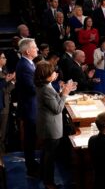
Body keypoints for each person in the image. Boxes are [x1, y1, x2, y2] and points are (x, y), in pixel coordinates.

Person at [35, 61, 74, 189]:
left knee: (47, 153)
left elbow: (53, 100)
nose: (55, 73)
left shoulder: (46, 85)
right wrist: (65, 93)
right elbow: (57, 109)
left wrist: (62, 91)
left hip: (48, 125)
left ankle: (43, 176)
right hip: (50, 127)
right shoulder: (46, 88)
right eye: (53, 72)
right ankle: (49, 183)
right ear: (47, 74)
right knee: (49, 156)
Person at [15, 38, 39, 177]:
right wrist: (47, 82)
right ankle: (31, 168)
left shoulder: (28, 63)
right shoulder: (24, 66)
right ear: (28, 51)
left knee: (32, 138)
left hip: (31, 107)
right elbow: (32, 88)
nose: (36, 49)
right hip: (29, 108)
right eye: (35, 47)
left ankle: (32, 164)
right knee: (30, 139)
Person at [0, 52, 15, 152]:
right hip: (2, 107)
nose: (5, 59)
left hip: (5, 104)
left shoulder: (4, 69)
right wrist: (13, 82)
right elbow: (4, 90)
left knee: (4, 133)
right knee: (1, 133)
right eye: (3, 57)